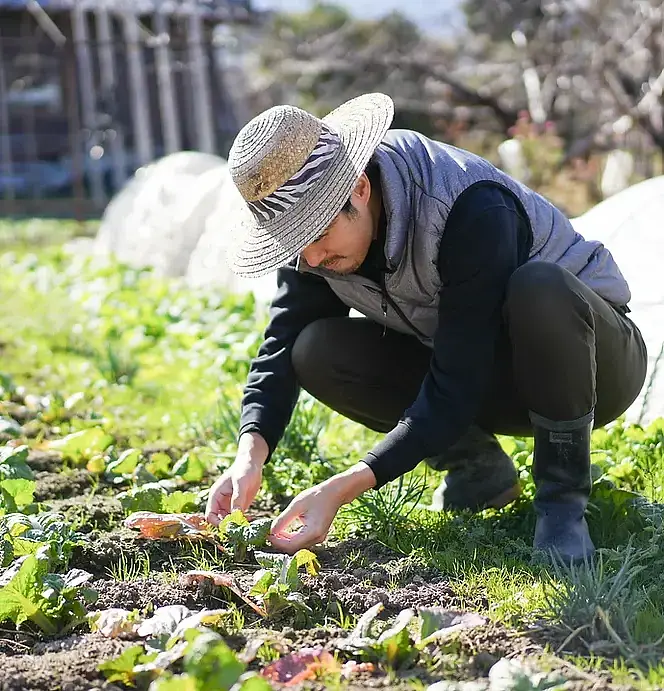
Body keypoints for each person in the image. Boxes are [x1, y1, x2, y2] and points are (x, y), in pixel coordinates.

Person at [204, 93, 647, 565]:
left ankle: (562, 505)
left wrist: (342, 487)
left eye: (316, 234)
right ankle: (478, 473)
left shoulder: (468, 207)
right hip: (483, 372)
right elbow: (285, 338)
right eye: (294, 242)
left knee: (539, 287)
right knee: (315, 349)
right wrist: (249, 455)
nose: (310, 259)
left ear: (357, 188)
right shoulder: (312, 248)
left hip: (593, 365)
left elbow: (456, 383)